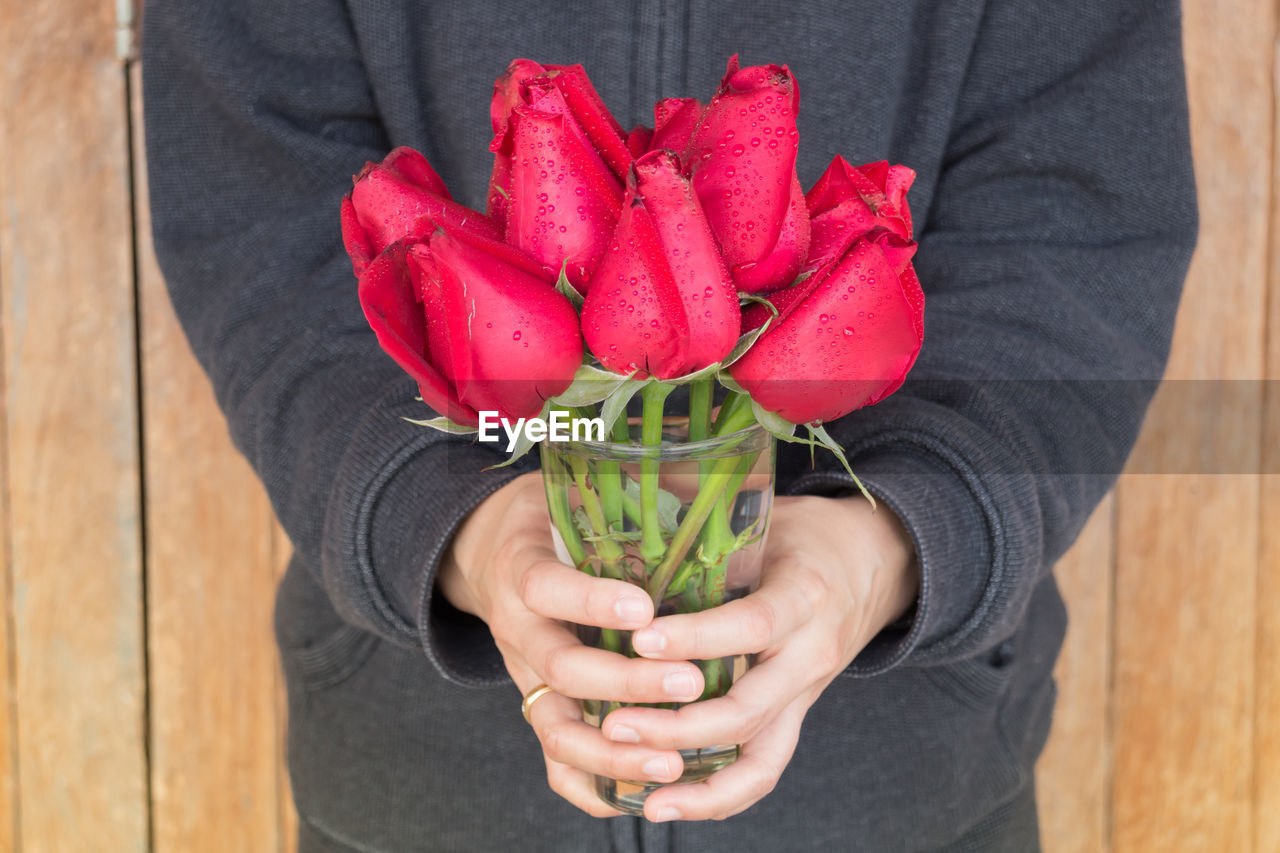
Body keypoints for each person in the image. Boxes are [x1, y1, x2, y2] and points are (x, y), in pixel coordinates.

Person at [142, 1, 1196, 850]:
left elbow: (1078, 230)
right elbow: (261, 217)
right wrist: (449, 528)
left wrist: (894, 543)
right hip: (423, 787)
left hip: (907, 789)